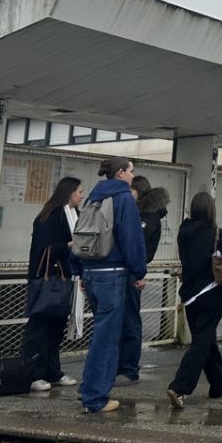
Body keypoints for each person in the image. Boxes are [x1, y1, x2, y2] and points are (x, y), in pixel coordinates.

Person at [74, 157, 147, 414]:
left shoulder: (92, 198)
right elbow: (131, 238)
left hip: (90, 271)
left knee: (100, 333)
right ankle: (95, 398)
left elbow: (80, 233)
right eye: (130, 171)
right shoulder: (123, 198)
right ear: (120, 173)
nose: (132, 176)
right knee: (108, 338)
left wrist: (79, 270)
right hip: (113, 273)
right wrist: (139, 271)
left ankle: (88, 387)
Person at [166, 192, 222, 408]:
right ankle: (179, 386)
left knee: (206, 340)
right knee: (201, 343)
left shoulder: (183, 232)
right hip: (210, 293)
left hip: (189, 297)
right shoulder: (217, 234)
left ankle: (220, 384)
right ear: (211, 210)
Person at [22, 177, 83, 392]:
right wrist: (67, 245)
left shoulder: (75, 215)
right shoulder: (49, 217)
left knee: (57, 326)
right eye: (79, 191)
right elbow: (42, 249)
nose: (81, 195)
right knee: (39, 326)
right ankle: (33, 373)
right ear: (69, 192)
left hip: (65, 278)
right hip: (47, 279)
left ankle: (52, 370)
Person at [116, 175, 169, 385]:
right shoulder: (136, 213)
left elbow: (138, 247)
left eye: (131, 190)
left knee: (129, 321)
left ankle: (129, 368)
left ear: (139, 191)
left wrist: (138, 272)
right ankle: (121, 365)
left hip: (131, 273)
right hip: (126, 272)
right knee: (121, 321)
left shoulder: (148, 217)